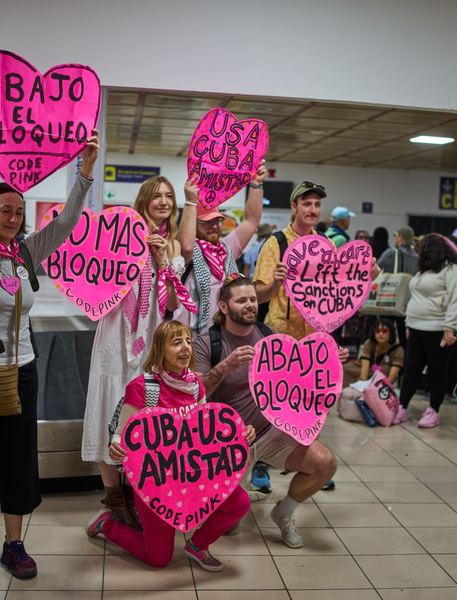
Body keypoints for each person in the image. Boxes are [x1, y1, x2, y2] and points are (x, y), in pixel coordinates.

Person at [0, 124, 98, 581]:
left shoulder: (25, 253)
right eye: (3, 209)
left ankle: (14, 543)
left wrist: (84, 171)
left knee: (18, 461)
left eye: (18, 211)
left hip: (21, 370)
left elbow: (66, 222)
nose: (12, 216)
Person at [87, 320, 253, 571]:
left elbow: (207, 433)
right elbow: (121, 436)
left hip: (192, 473)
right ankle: (106, 524)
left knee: (239, 501)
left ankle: (197, 545)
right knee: (158, 558)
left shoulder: (196, 386)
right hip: (156, 482)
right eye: (176, 342)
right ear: (160, 350)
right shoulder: (142, 388)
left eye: (187, 341)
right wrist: (116, 447)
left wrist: (240, 434)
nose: (185, 347)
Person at [193, 276, 345, 548]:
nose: (250, 305)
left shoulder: (269, 336)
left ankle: (283, 511)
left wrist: (329, 361)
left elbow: (298, 378)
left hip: (272, 432)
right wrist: (226, 366)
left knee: (325, 463)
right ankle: (240, 491)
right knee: (228, 527)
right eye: (241, 300)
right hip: (229, 441)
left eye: (252, 299)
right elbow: (195, 393)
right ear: (224, 307)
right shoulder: (207, 343)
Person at [82, 172, 196, 531]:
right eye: (157, 195)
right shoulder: (119, 235)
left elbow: (174, 305)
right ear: (144, 198)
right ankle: (114, 500)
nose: (163, 201)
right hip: (115, 331)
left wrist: (161, 260)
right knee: (110, 407)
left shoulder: (173, 248)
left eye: (169, 196)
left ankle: (136, 495)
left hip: (150, 334)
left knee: (142, 413)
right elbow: (93, 278)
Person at [176, 161, 266, 336]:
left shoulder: (226, 248)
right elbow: (186, 244)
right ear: (193, 223)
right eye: (206, 222)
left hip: (223, 337)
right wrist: (190, 202)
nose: (214, 226)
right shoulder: (183, 250)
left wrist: (256, 184)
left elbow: (251, 221)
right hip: (190, 339)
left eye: (217, 221)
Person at [396, 234, 457, 427]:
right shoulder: (426, 271)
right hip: (417, 328)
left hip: (439, 330)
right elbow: (415, 299)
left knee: (438, 372)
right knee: (411, 369)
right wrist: (408, 322)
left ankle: (434, 410)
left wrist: (450, 328)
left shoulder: (454, 270)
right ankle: (402, 407)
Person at [253, 181, 327, 339]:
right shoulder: (276, 243)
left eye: (317, 205)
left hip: (316, 337)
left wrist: (364, 276)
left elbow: (338, 288)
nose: (313, 210)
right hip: (280, 338)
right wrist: (275, 284)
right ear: (294, 207)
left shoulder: (326, 244)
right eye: (307, 204)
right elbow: (258, 297)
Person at [358, 317, 404, 385]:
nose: (381, 334)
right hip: (369, 370)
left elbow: (392, 376)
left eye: (384, 331)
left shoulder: (398, 350)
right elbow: (364, 368)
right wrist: (362, 385)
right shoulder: (369, 343)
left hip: (384, 377)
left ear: (390, 333)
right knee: (348, 367)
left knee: (385, 368)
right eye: (377, 331)